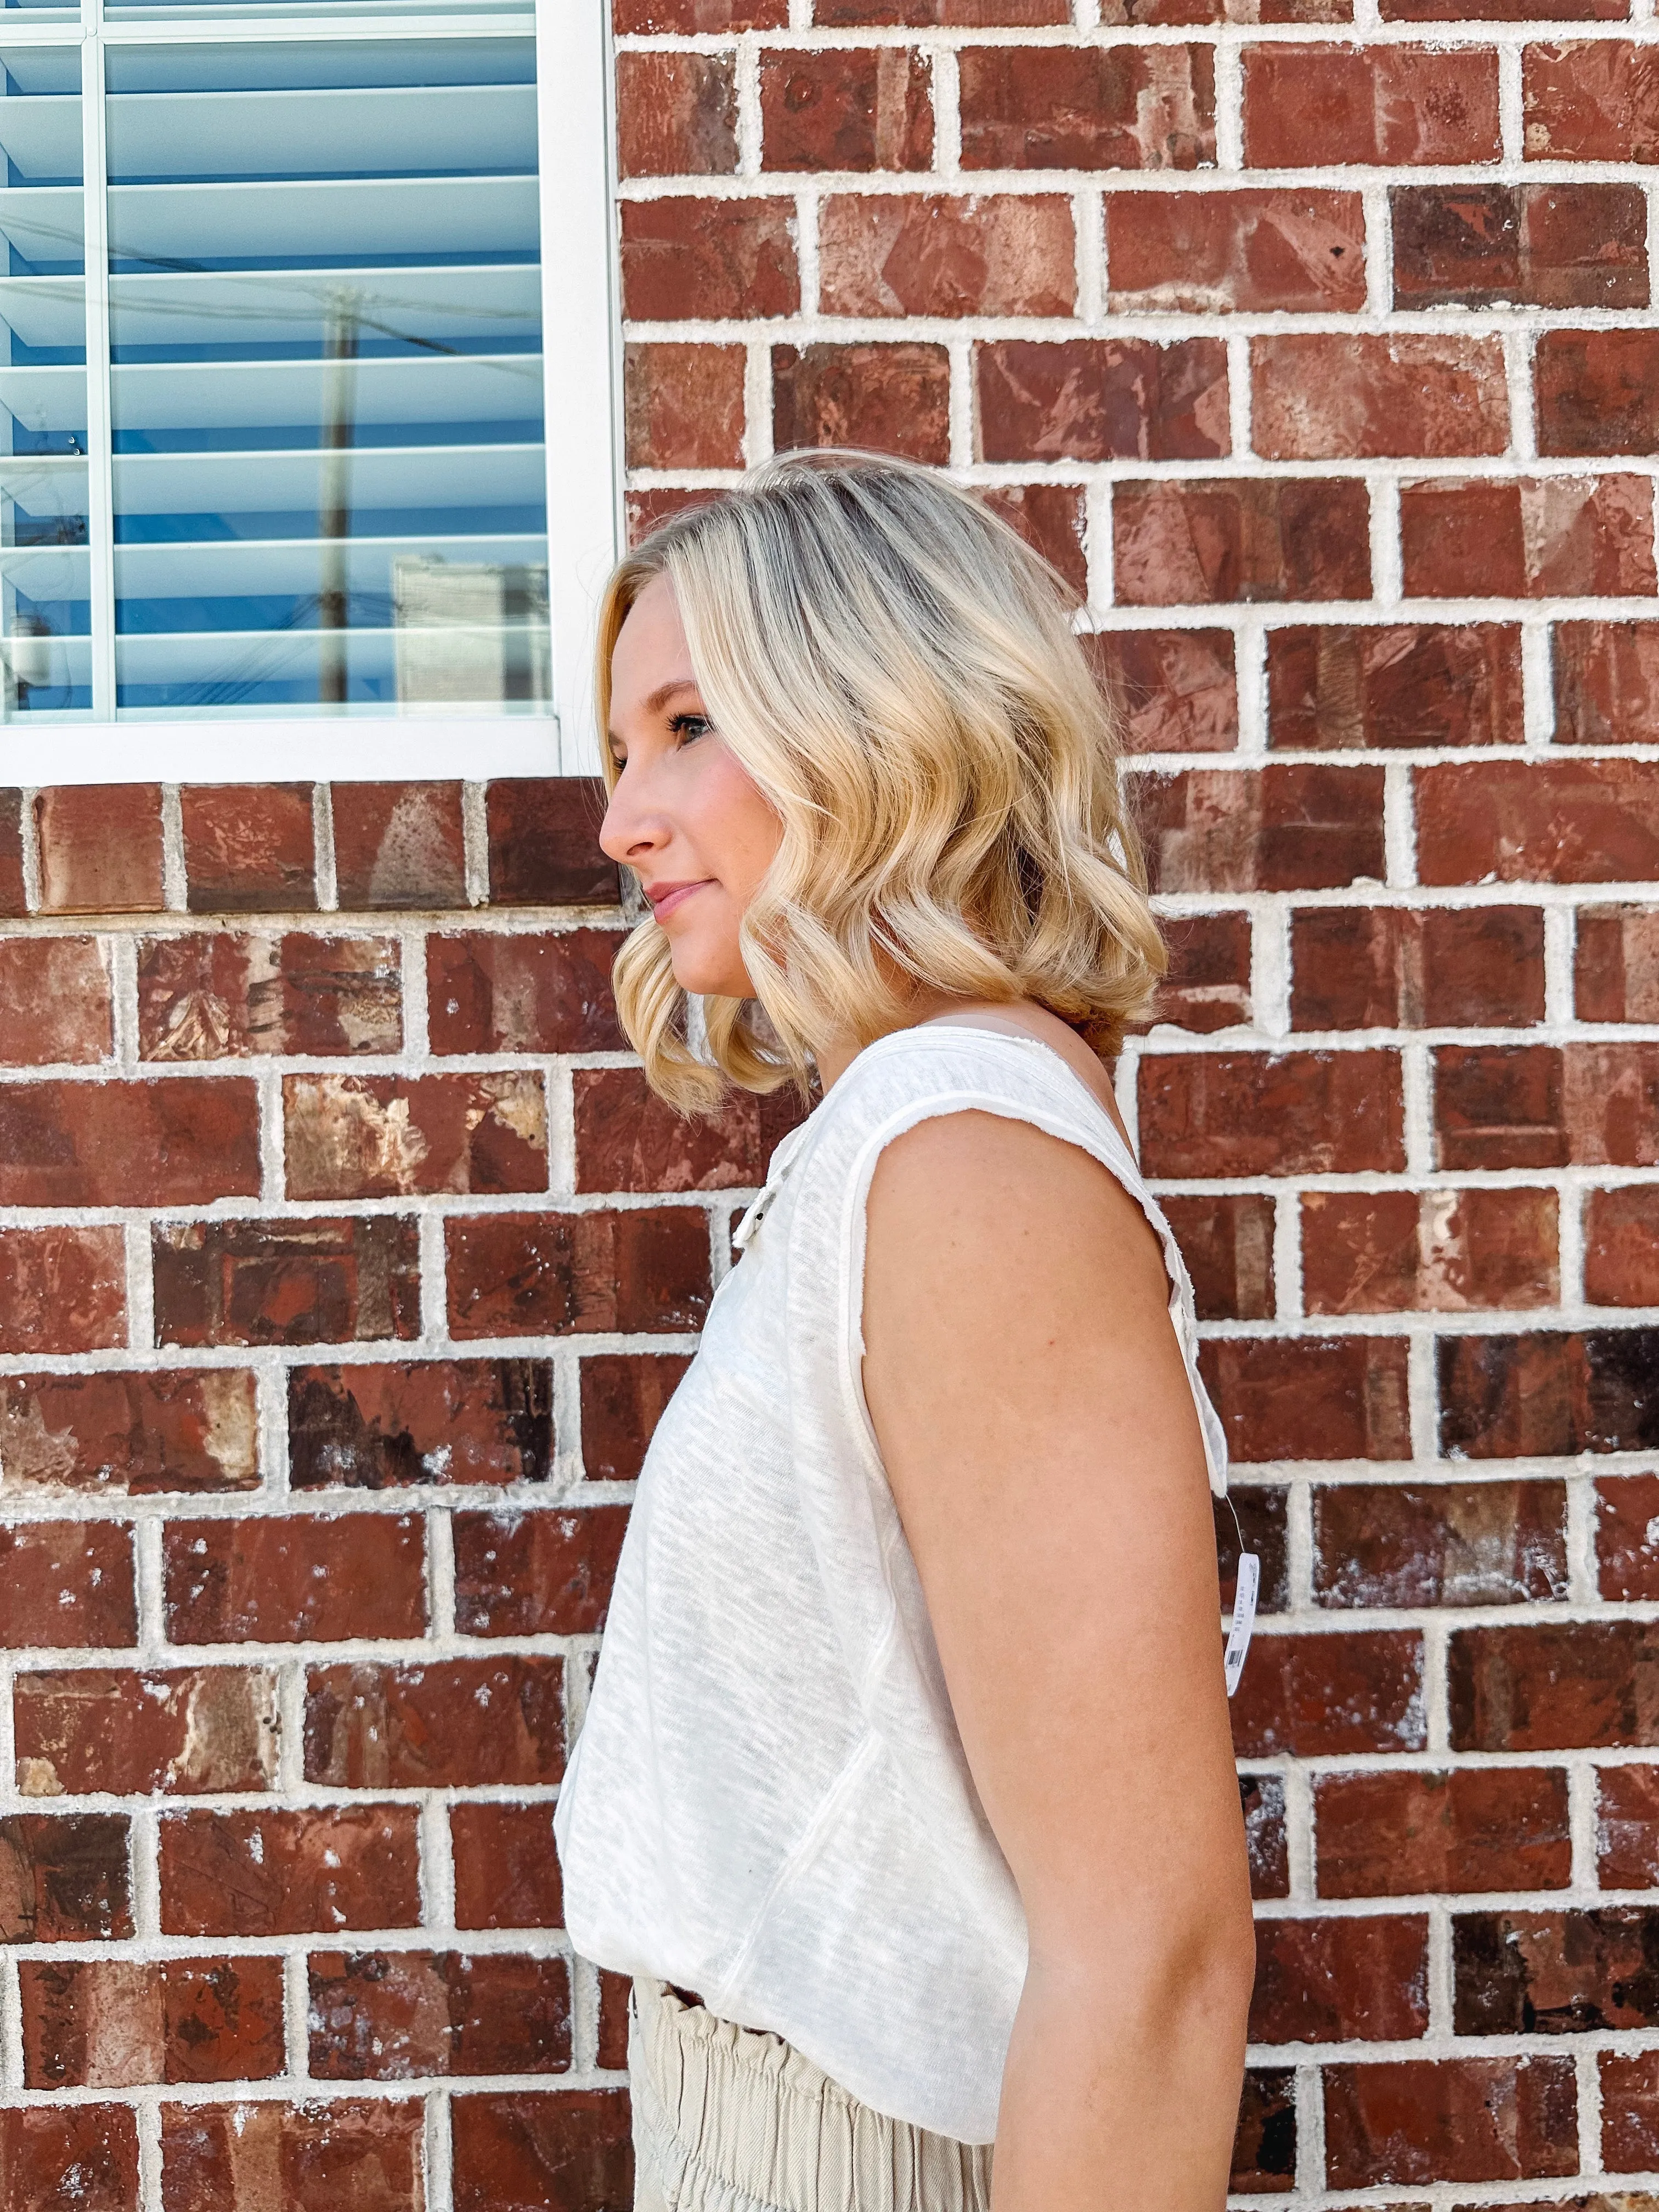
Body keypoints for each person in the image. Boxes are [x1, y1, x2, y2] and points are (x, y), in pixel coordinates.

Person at [552, 451, 1256, 2212]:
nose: (624, 819)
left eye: (690, 724)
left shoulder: (962, 1161)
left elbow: (1152, 1956)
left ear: (881, 716)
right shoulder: (901, 1139)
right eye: (622, 751)